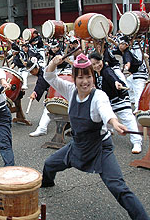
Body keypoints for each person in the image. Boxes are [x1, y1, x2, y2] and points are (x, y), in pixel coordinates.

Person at [41, 53, 149, 220]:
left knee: (119, 187)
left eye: (88, 76)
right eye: (80, 77)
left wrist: (114, 123)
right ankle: (46, 183)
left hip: (100, 148)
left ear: (93, 76)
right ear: (74, 78)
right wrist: (53, 63)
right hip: (77, 146)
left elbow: (106, 111)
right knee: (49, 164)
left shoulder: (99, 96)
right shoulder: (70, 90)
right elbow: (49, 76)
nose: (85, 82)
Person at [89, 51, 143, 154]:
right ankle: (107, 132)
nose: (97, 65)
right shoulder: (95, 74)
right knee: (101, 117)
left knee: (128, 120)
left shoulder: (107, 70)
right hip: (108, 101)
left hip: (120, 98)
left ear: (102, 60)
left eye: (98, 62)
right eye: (93, 64)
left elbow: (112, 77)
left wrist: (116, 83)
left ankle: (136, 142)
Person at [27, 58, 51, 137]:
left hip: (57, 90)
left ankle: (42, 129)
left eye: (32, 71)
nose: (31, 73)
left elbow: (40, 84)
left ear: (37, 67)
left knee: (48, 107)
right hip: (54, 89)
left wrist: (35, 93)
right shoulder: (42, 71)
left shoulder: (43, 74)